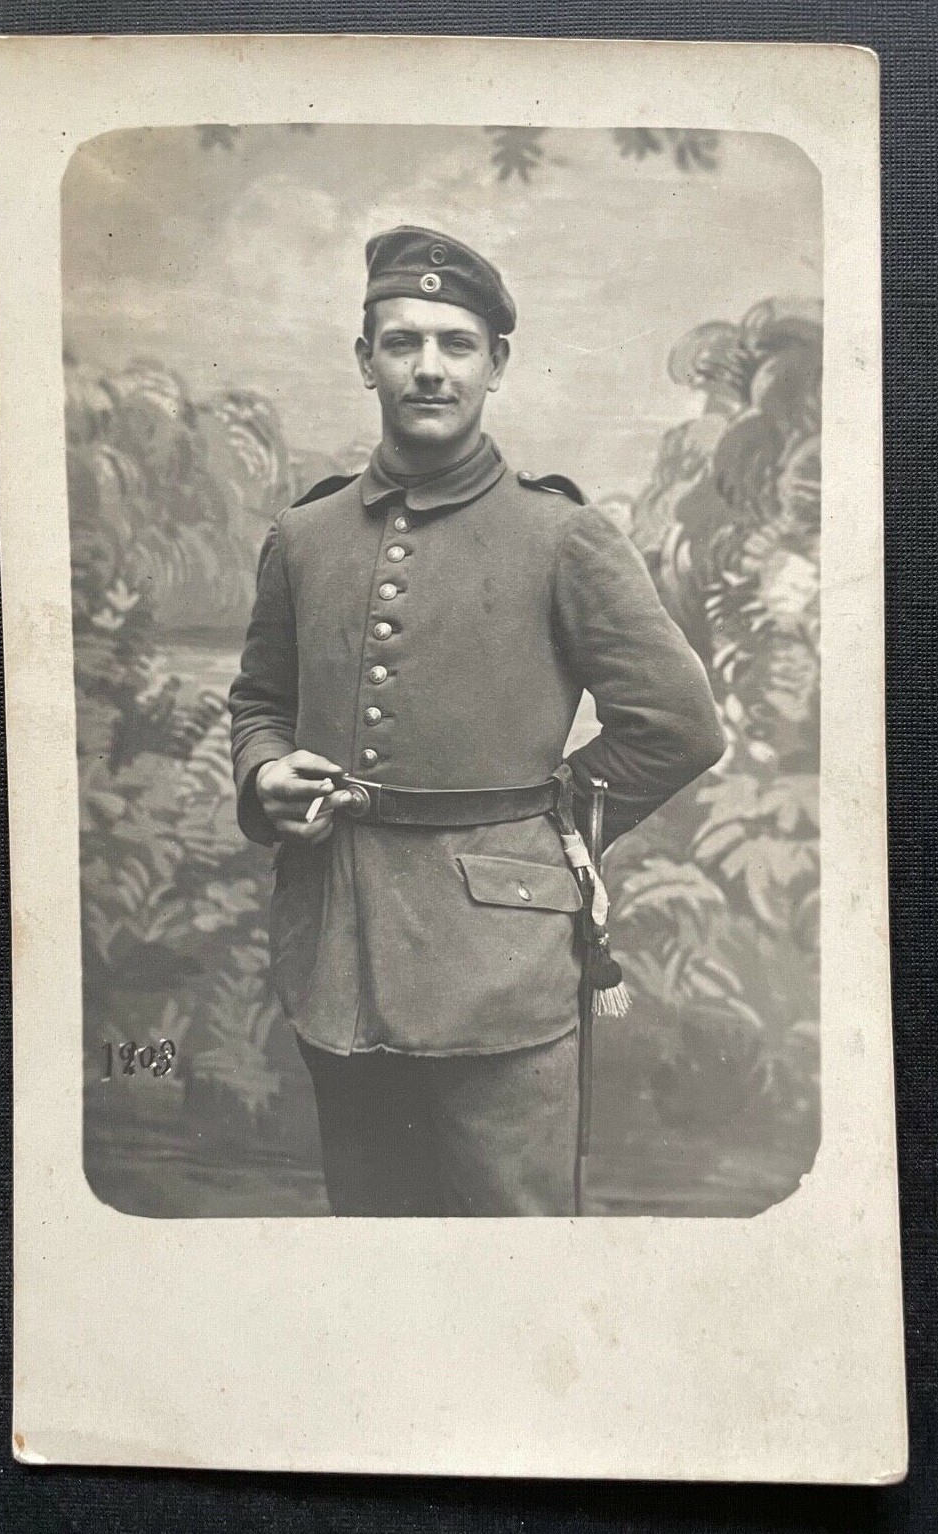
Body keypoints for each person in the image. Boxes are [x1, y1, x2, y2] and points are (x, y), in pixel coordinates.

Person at [229, 225, 723, 1216]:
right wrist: (264, 769)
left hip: (501, 969)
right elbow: (261, 701)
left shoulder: (563, 535)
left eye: (456, 344)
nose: (429, 368)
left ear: (495, 363)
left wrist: (549, 826)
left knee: (516, 1254)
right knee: (375, 1247)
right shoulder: (305, 534)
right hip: (335, 956)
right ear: (365, 359)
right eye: (402, 342)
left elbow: (678, 724)